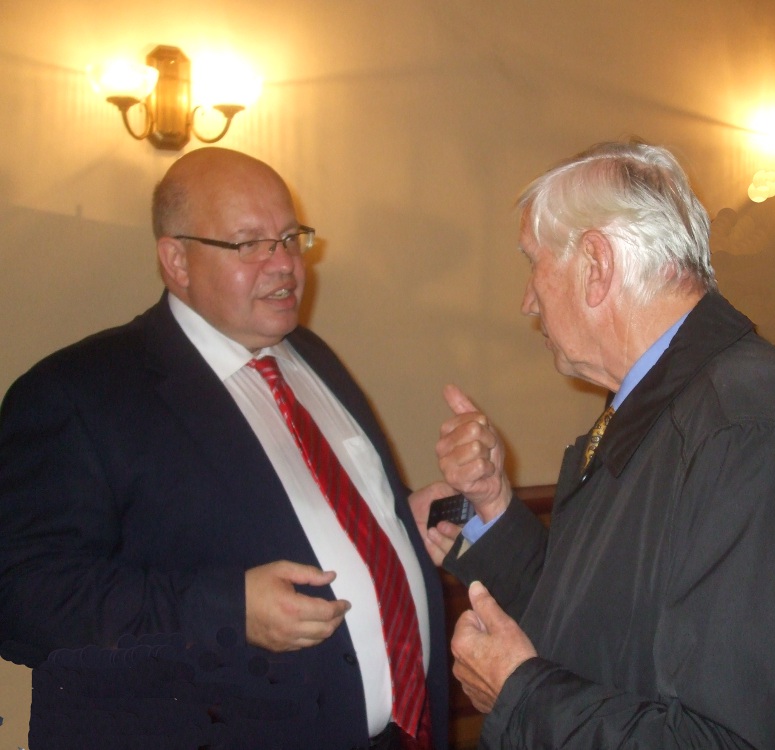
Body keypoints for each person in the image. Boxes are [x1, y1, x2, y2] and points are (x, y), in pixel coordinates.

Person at [411, 141, 775, 748]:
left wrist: (522, 698)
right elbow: (606, 618)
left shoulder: (747, 439)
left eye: (533, 262)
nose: (527, 301)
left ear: (596, 265)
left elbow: (743, 740)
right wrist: (491, 510)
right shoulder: (671, 404)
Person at [0, 148, 447, 750]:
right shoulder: (77, 393)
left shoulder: (311, 357)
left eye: (289, 238)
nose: (284, 264)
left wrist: (399, 522)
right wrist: (224, 611)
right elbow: (21, 596)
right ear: (176, 261)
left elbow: (320, 510)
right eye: (249, 244)